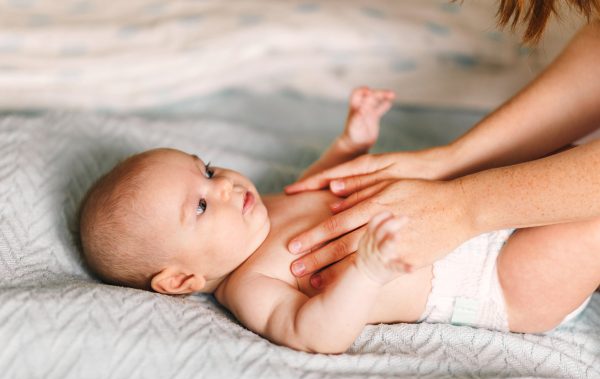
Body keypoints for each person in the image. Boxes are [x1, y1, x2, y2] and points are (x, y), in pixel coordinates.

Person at [79, 88, 595, 354]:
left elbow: (325, 184)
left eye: (208, 170)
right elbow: (315, 335)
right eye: (200, 206)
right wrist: (366, 273)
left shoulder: (263, 210)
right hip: (497, 282)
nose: (224, 186)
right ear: (181, 279)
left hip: (482, 212)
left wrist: (353, 141)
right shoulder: (250, 286)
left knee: (564, 158)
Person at [284, 2, 600, 326]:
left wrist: (461, 208)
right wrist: (452, 162)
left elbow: (312, 331)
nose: (226, 187)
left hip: (496, 282)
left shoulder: (254, 275)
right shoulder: (245, 280)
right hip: (500, 279)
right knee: (569, 166)